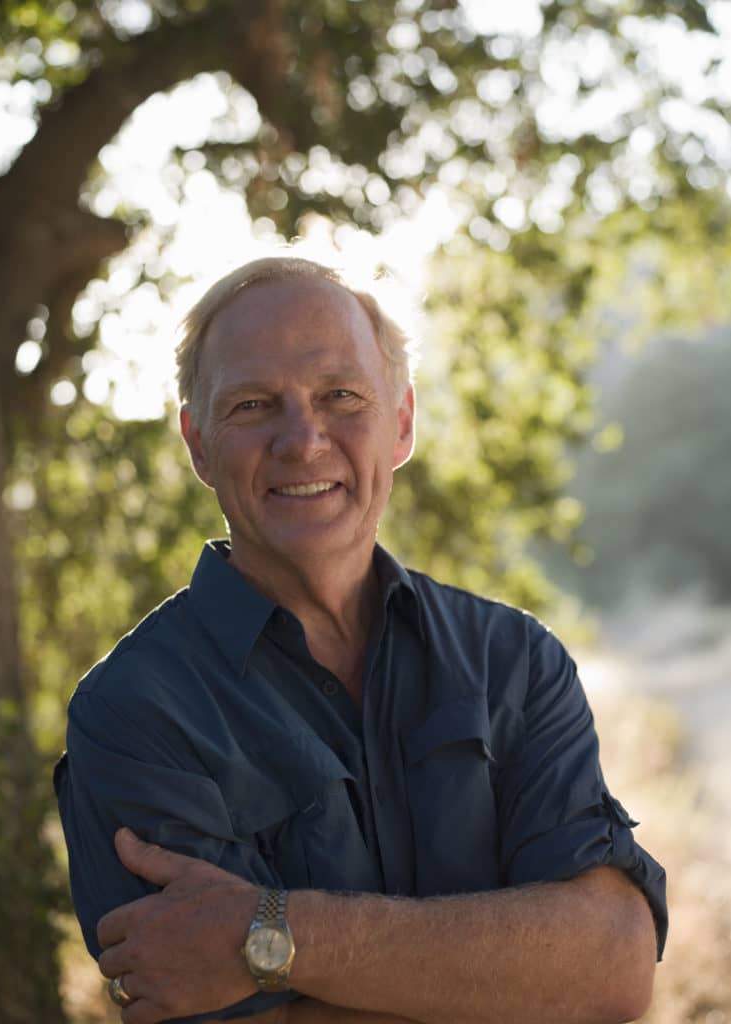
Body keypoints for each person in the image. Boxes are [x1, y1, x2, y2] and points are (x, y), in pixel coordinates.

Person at [55, 256, 667, 1024]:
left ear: (402, 422)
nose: (303, 440)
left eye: (340, 396)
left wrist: (270, 936)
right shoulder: (134, 712)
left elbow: (610, 965)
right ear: (198, 445)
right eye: (252, 405)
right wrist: (519, 978)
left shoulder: (513, 661)